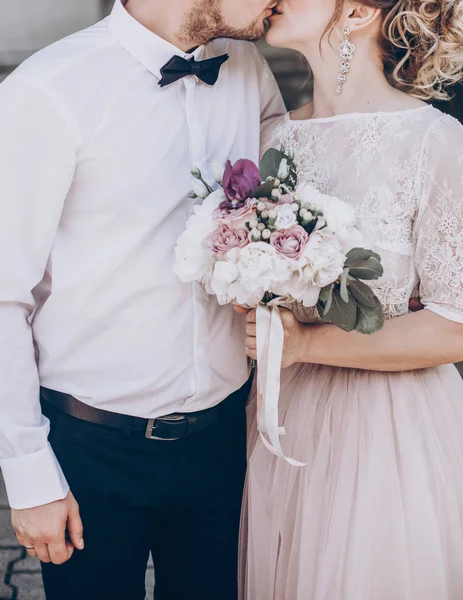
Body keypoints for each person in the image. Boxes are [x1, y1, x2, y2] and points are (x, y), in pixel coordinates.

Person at [0, 0, 285, 598]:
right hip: (91, 448)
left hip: (223, 439)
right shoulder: (47, 91)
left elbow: (283, 202)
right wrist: (29, 476)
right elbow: (4, 296)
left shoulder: (248, 67)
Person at [239, 1, 463, 598]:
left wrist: (306, 342)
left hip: (392, 428)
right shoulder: (271, 138)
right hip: (285, 421)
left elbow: (456, 329)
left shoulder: (433, 142)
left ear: (361, 11)